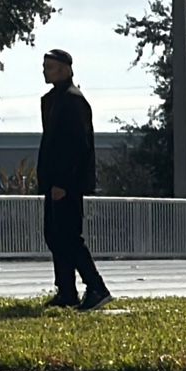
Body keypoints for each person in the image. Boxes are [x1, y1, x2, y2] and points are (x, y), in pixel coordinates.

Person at [36, 48, 112, 311]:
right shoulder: (51, 100)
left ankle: (97, 287)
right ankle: (66, 291)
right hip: (53, 181)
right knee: (54, 235)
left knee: (69, 236)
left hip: (67, 183)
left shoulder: (73, 100)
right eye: (45, 67)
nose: (47, 71)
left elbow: (76, 146)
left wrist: (63, 183)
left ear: (67, 69)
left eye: (53, 67)